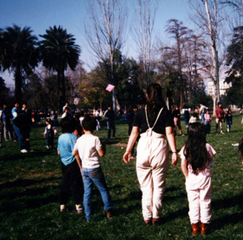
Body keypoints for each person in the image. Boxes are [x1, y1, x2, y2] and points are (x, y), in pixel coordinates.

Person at [122, 83, 177, 225]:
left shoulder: (140, 112)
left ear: (147, 95)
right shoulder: (165, 111)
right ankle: (156, 216)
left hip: (143, 146)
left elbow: (134, 133)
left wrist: (128, 150)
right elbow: (169, 133)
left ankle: (147, 216)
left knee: (145, 186)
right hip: (159, 146)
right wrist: (174, 152)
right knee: (158, 186)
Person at [73, 115, 114, 222]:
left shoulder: (79, 140)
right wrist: (103, 146)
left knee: (87, 193)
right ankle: (109, 210)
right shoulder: (95, 139)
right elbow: (102, 154)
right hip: (94, 168)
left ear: (83, 127)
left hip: (85, 169)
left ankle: (88, 216)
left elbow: (74, 153)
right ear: (94, 126)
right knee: (103, 190)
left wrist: (80, 165)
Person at [179, 123, 216, 235]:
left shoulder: (186, 147)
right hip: (204, 177)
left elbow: (183, 164)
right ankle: (204, 226)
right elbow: (210, 158)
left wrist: (187, 176)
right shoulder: (206, 146)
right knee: (205, 200)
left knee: (193, 202)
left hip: (191, 177)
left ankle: (195, 226)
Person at [57, 117, 83, 214]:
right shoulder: (74, 138)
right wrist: (80, 166)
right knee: (76, 184)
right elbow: (76, 153)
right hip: (73, 164)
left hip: (64, 164)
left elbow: (59, 152)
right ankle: (78, 206)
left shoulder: (60, 137)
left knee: (65, 183)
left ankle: (62, 205)